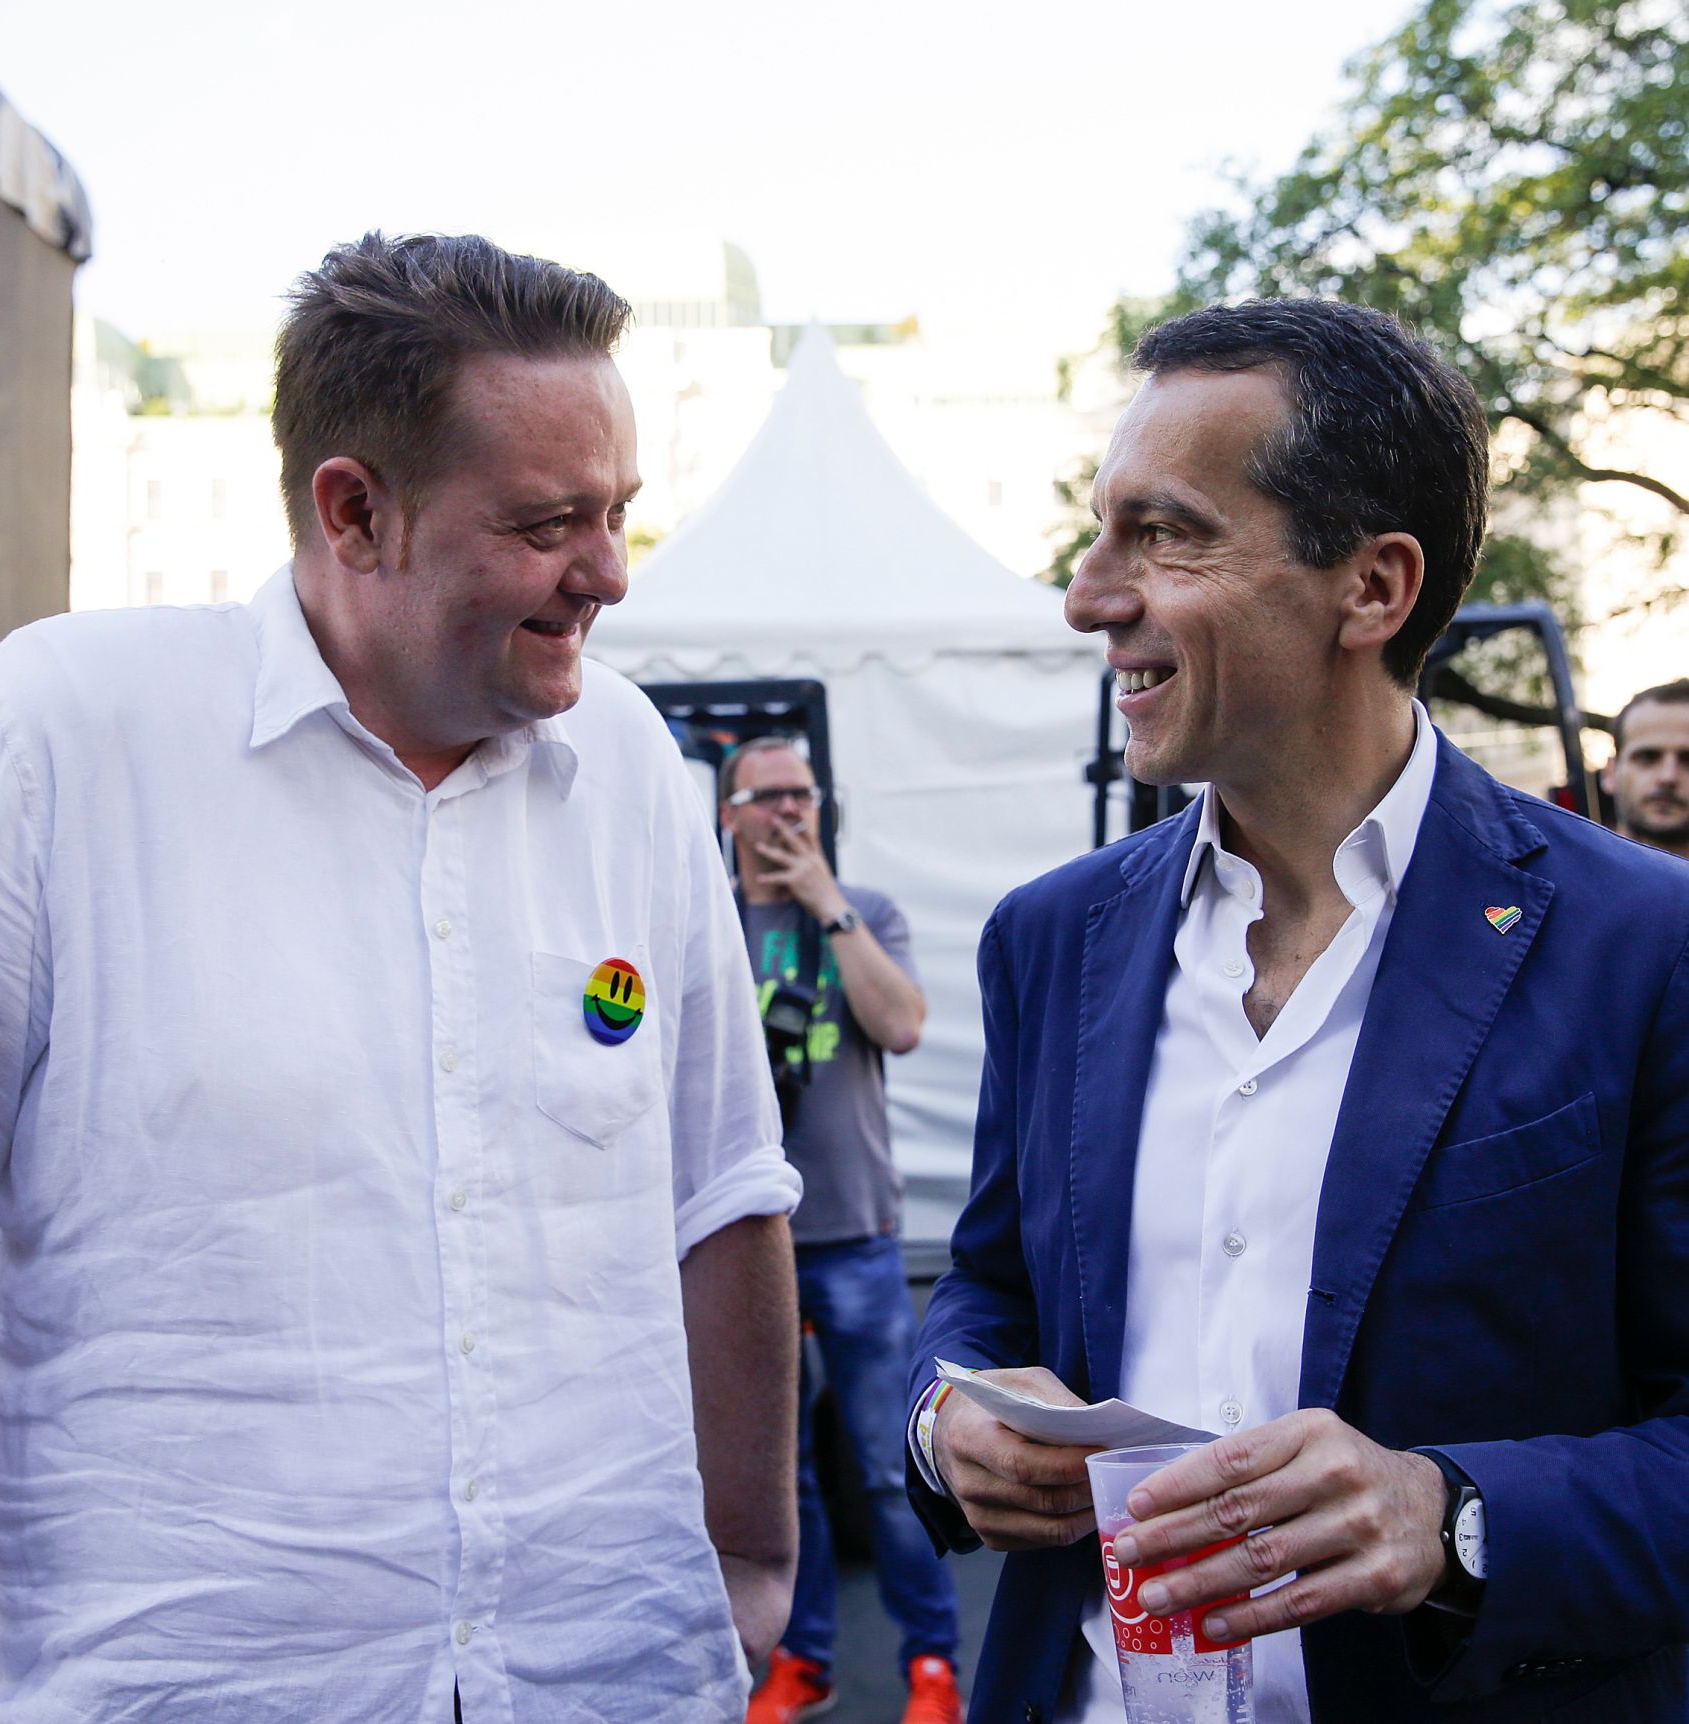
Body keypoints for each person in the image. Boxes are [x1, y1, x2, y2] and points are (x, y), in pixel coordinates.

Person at [0, 232, 804, 1724]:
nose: (608, 573)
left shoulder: (635, 768)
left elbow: (721, 1191)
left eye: (618, 515)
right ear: (356, 512)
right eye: (549, 524)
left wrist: (747, 1567)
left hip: (607, 1682)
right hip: (189, 1691)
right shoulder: (52, 739)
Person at [908, 298, 1689, 1723]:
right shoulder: (1051, 940)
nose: (1090, 596)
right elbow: (988, 1288)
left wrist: (1446, 1515)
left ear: (1372, 589)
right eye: (1100, 534)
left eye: (1166, 535)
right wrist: (942, 1416)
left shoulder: (1644, 944)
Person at [722, 738, 964, 1724]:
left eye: (803, 793)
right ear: (730, 811)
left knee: (881, 1459)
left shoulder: (865, 910)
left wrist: (826, 902)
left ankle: (931, 1665)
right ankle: (804, 1657)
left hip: (853, 1231)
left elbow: (902, 1022)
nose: (789, 811)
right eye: (768, 795)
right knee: (778, 1476)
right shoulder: (708, 920)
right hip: (745, 1240)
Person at [1603, 679, 1689, 859]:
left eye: (1687, 761)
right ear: (1609, 772)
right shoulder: (1556, 880)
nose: (1668, 777)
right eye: (1647, 758)